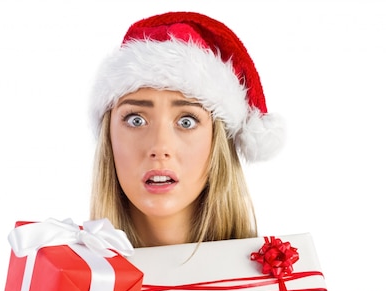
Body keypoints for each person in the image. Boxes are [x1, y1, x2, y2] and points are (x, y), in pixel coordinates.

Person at [89, 11, 285, 247]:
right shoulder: (67, 276)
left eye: (186, 122)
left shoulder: (281, 279)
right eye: (136, 120)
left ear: (217, 143)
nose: (159, 148)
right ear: (109, 138)